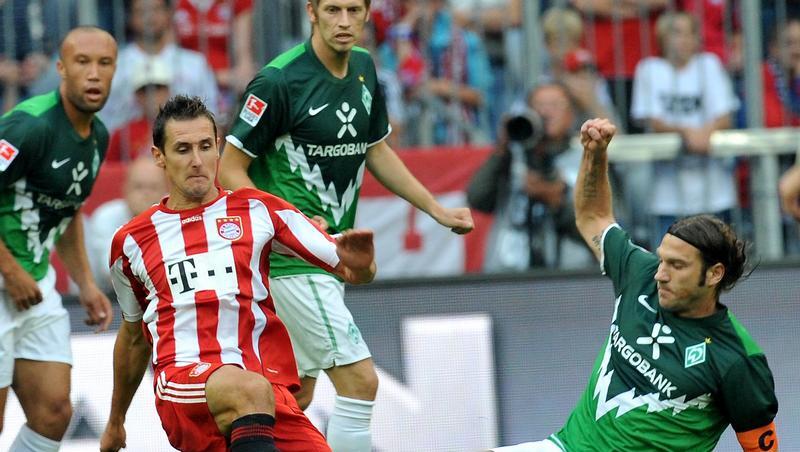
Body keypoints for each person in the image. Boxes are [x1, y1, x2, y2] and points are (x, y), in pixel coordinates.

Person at [217, 1, 474, 450]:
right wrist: (290, 222)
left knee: (295, 395)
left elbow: (376, 149)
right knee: (360, 381)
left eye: (353, 9)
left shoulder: (364, 67)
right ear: (311, 12)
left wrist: (435, 208)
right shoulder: (279, 81)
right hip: (291, 262)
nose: (343, 21)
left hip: (330, 258)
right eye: (332, 9)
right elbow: (229, 169)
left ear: (368, 13)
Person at [99, 95, 377, 452]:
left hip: (263, 392)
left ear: (218, 147)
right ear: (159, 156)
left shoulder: (259, 209)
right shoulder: (131, 241)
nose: (197, 161)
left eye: (205, 146)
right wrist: (115, 421)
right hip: (184, 380)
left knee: (258, 394)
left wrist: (362, 263)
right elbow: (133, 336)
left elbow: (353, 271)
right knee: (249, 390)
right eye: (183, 149)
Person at [489, 118, 780, 451]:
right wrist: (595, 154)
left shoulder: (738, 359)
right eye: (662, 259)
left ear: (714, 274)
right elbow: (593, 217)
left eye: (677, 265)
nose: (661, 274)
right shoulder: (639, 273)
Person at [0, 26, 116, 452]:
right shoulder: (27, 126)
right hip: (7, 278)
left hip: (34, 286)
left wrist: (85, 282)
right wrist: (10, 271)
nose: (93, 73)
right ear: (61, 69)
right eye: (82, 62)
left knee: (53, 413)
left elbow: (68, 210)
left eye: (104, 63)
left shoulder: (98, 137)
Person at [631, 11, 740, 248]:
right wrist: (687, 132)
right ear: (662, 38)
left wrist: (702, 133)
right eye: (675, 33)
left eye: (688, 33)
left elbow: (725, 116)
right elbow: (651, 119)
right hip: (666, 194)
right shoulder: (649, 69)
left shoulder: (709, 64)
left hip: (714, 190)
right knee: (668, 259)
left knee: (716, 258)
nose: (682, 40)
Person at [467, 82, 593, 271]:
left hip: (570, 274)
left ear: (571, 115)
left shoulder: (588, 158)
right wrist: (502, 150)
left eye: (555, 105)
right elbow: (477, 199)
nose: (545, 113)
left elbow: (604, 227)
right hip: (509, 273)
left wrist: (557, 202)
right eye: (538, 105)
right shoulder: (511, 157)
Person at [99, 0, 219, 132]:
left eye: (156, 9)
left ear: (169, 13)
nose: (149, 17)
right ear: (130, 17)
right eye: (141, 11)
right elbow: (105, 121)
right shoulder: (115, 66)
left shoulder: (195, 64)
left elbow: (213, 119)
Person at [85, 156, 167, 293]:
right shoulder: (105, 217)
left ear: (165, 191)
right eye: (138, 187)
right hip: (108, 298)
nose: (146, 194)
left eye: (153, 187)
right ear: (125, 189)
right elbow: (112, 273)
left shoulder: (176, 217)